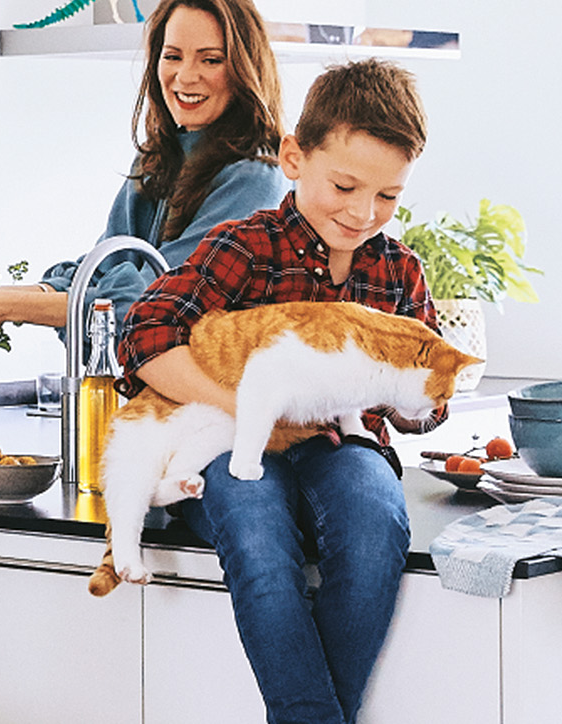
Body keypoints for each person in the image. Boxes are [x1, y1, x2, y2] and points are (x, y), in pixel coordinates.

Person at [118, 59, 438, 723]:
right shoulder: (246, 246)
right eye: (346, 185)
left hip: (341, 445)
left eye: (387, 198)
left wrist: (422, 400)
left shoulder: (399, 271)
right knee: (259, 540)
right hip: (234, 440)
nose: (362, 212)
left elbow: (422, 413)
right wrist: (248, 410)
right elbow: (145, 333)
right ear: (295, 156)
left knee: (375, 525)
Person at [0, 0, 286, 349]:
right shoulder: (160, 158)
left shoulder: (255, 177)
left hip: (219, 399)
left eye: (211, 60)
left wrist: (7, 307)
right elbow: (102, 269)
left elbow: (150, 303)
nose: (185, 76)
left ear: (244, 68)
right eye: (172, 56)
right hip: (156, 396)